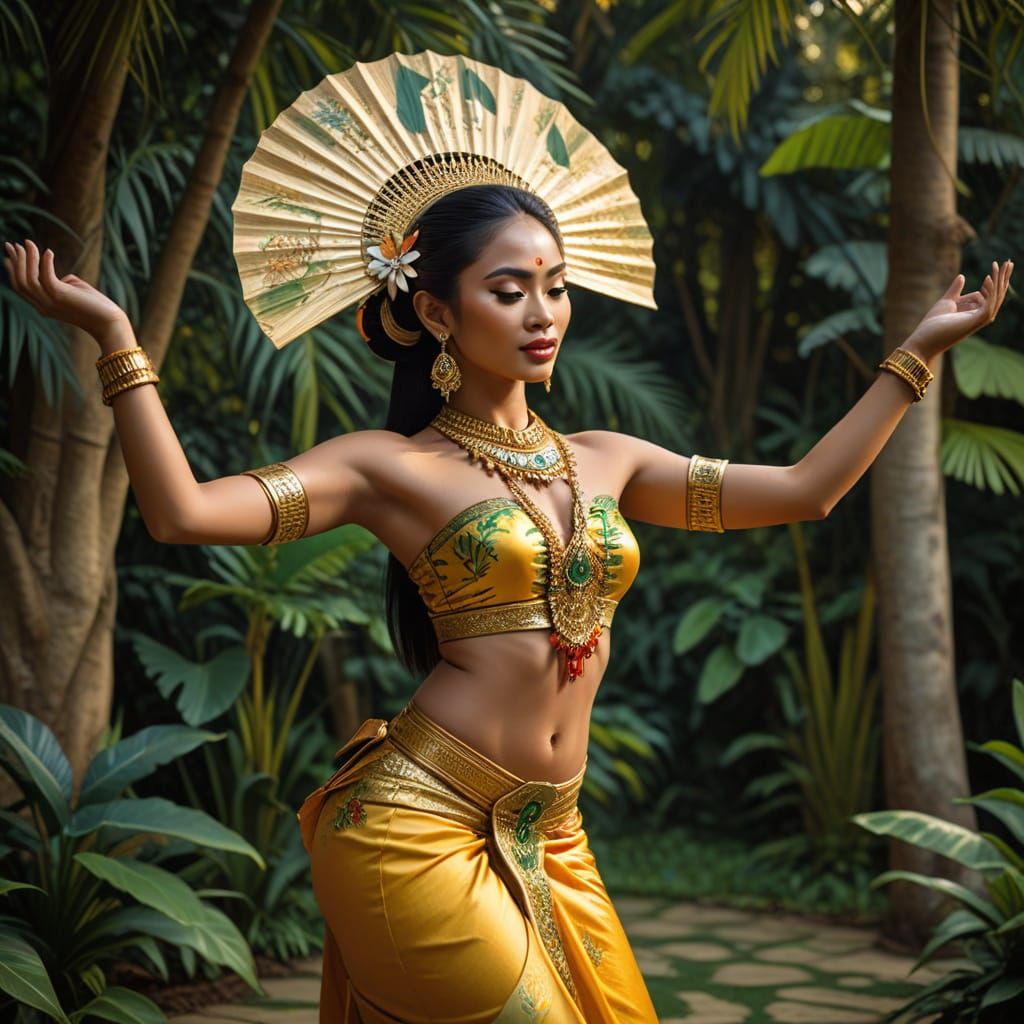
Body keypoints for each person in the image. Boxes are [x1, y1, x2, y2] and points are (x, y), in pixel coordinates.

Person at [3, 48, 1013, 1024]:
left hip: (552, 833)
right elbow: (182, 512)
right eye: (509, 288)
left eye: (556, 283)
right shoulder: (386, 467)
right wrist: (118, 341)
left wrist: (914, 354)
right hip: (413, 823)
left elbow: (805, 489)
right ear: (436, 310)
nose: (545, 312)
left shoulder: (608, 457)